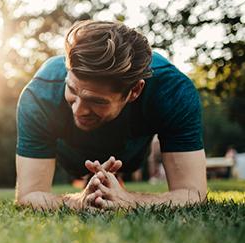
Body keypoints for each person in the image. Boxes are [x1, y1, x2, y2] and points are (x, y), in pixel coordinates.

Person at [15, 20, 207, 211]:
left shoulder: (172, 90)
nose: (78, 110)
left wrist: (127, 199)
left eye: (97, 101)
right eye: (72, 89)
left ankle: (113, 179)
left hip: (130, 154)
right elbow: (28, 196)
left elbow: (194, 193)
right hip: (72, 155)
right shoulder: (40, 94)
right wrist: (78, 201)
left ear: (135, 91)